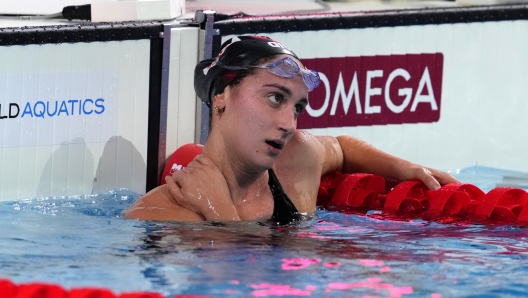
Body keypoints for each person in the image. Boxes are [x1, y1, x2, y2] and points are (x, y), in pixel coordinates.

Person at [123, 35, 459, 224]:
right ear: (221, 97)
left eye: (297, 107)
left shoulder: (297, 158)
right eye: (274, 97)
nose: (289, 124)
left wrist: (406, 169)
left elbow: (341, 148)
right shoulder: (160, 214)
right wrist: (219, 214)